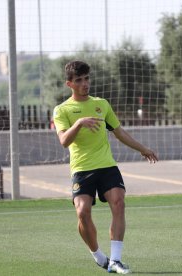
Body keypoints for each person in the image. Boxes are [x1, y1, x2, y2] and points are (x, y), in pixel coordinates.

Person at [53, 60, 158, 274]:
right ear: (69, 84)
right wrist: (79, 123)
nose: (85, 84)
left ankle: (116, 260)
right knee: (82, 213)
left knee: (118, 203)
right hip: (82, 169)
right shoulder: (62, 110)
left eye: (87, 79)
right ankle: (99, 256)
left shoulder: (102, 104)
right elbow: (64, 141)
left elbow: (119, 132)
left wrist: (142, 148)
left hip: (107, 165)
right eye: (79, 80)